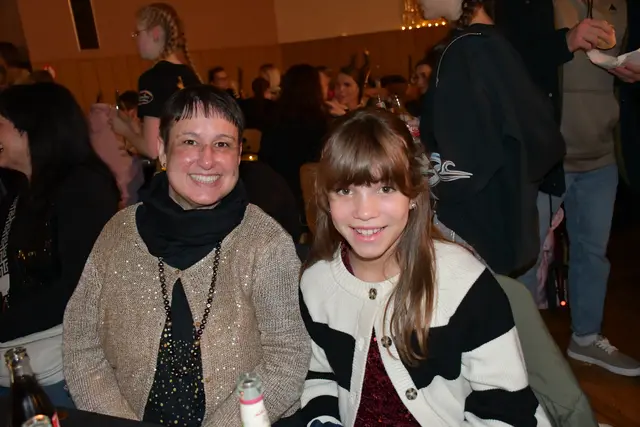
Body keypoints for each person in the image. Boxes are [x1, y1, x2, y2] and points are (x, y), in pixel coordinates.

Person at [63, 85, 310, 426]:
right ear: (162, 150)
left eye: (222, 144)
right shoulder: (118, 234)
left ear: (238, 154)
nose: (207, 159)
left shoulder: (265, 243)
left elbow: (286, 360)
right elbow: (81, 344)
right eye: (190, 142)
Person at [299, 108, 550, 426]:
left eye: (385, 189)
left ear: (414, 194)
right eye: (345, 191)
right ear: (326, 199)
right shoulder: (315, 284)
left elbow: (506, 408)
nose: (364, 211)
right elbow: (320, 375)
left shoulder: (463, 282)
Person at [495, 0, 640, 376]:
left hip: (603, 151)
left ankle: (586, 338)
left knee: (593, 254)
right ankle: (524, 355)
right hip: (545, 156)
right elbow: (506, 61)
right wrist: (566, 40)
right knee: (528, 260)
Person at [418, 0, 565, 276]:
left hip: (472, 231)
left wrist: (427, 187)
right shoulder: (495, 42)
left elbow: (465, 159)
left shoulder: (466, 51)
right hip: (505, 221)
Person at [0, 82, 119, 407]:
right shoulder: (20, 192)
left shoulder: (82, 187)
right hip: (23, 357)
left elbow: (79, 287)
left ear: (33, 128)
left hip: (64, 367)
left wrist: (6, 324)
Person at [110, 2, 201, 161]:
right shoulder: (191, 75)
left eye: (138, 33)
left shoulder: (152, 78)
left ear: (156, 33)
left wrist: (124, 130)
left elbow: (153, 150)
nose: (136, 40)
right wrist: (134, 128)